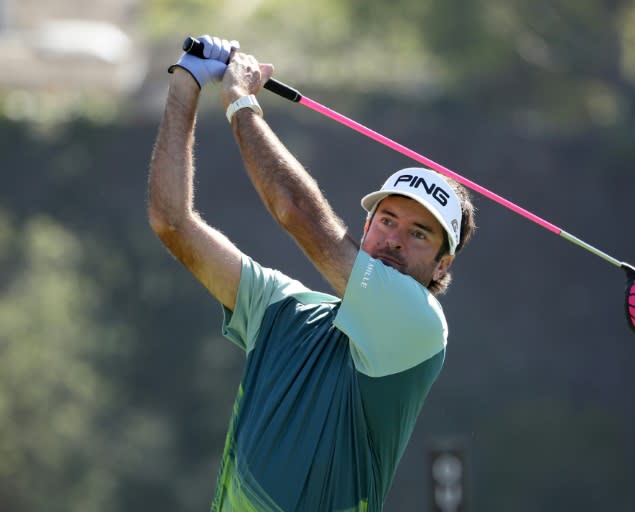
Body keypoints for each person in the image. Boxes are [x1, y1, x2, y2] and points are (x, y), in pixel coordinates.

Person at [147, 35, 476, 512]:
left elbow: (295, 210)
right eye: (386, 221)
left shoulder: (420, 325)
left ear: (442, 266)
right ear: (366, 227)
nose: (395, 240)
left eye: (419, 233)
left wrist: (241, 103)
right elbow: (171, 222)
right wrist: (186, 82)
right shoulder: (286, 309)